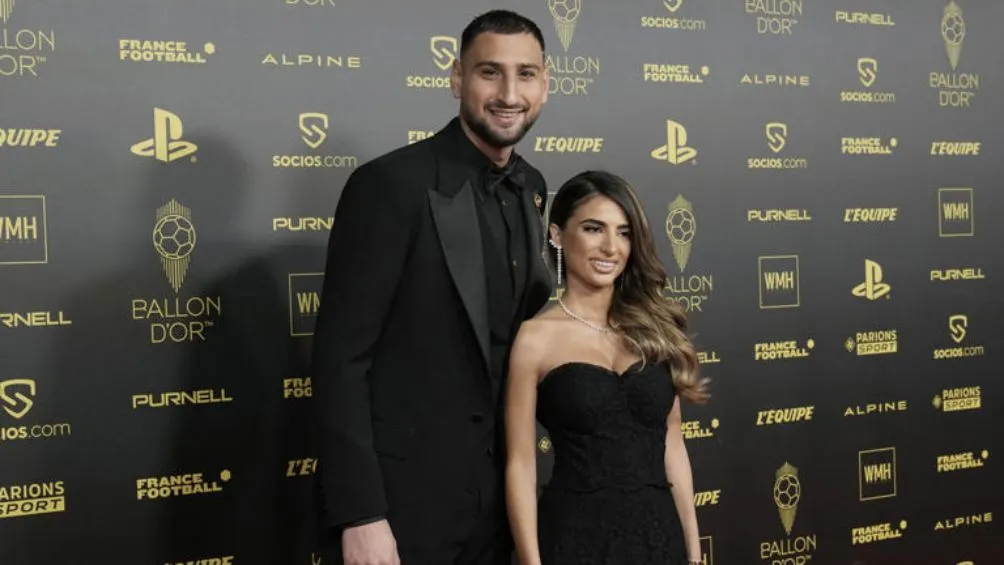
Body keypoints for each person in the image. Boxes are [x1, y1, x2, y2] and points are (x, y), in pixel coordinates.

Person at [308, 9, 553, 565]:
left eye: (526, 74)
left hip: (504, 507)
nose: (509, 93)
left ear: (546, 84)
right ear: (456, 78)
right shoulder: (391, 185)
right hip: (403, 509)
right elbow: (340, 360)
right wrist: (361, 515)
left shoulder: (534, 188)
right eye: (490, 72)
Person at [503, 170, 711, 565]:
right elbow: (520, 463)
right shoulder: (535, 337)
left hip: (658, 538)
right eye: (594, 229)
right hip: (573, 539)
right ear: (557, 235)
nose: (611, 247)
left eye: (624, 232)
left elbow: (674, 446)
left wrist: (695, 552)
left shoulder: (655, 329)